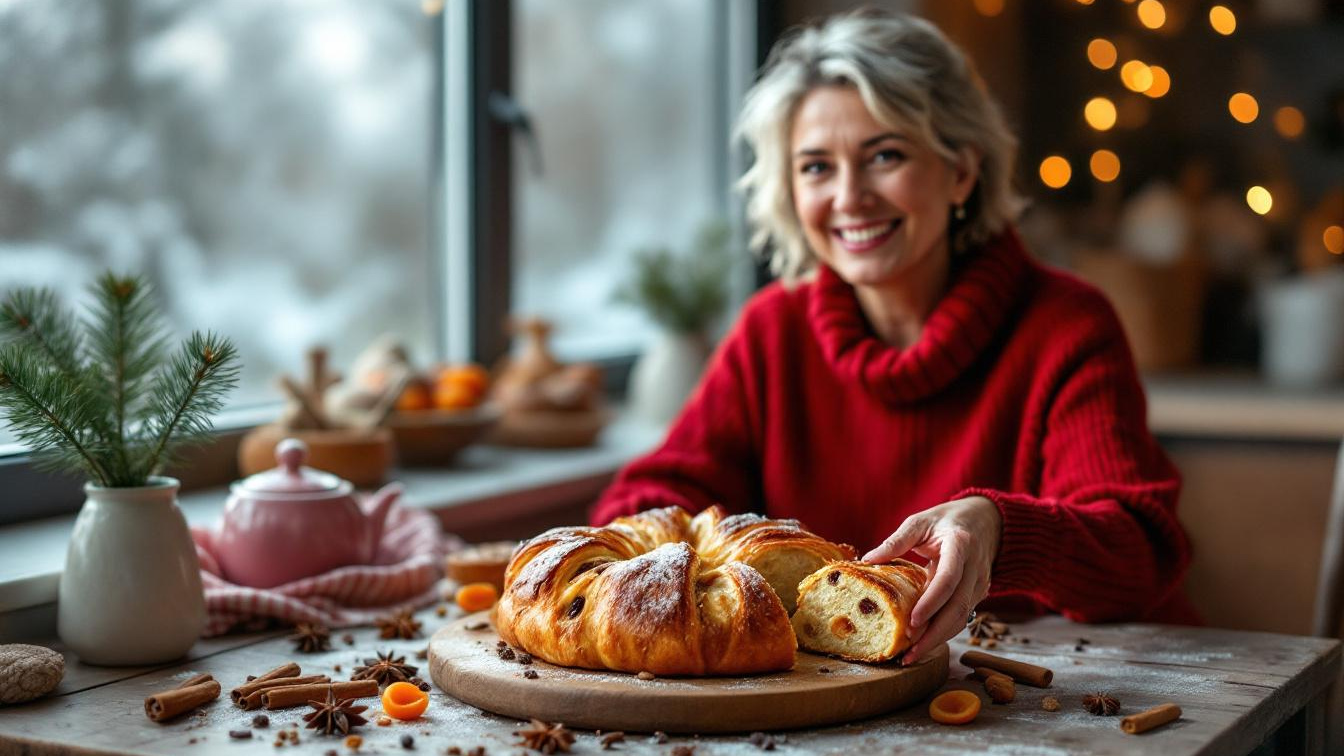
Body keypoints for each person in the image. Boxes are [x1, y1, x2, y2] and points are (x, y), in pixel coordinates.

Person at [590, 10, 1198, 665]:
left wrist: (999, 528)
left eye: (885, 156)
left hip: (1054, 690)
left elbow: (1140, 556)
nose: (849, 197)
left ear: (961, 171)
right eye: (816, 167)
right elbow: (643, 506)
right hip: (850, 699)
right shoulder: (772, 331)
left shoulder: (1066, 325)